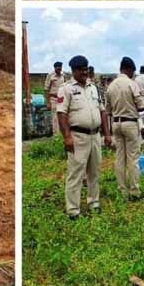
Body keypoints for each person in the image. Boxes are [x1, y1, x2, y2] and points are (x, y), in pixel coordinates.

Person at [57, 55, 110, 219]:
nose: (84, 72)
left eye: (86, 68)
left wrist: (107, 134)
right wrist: (67, 137)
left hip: (95, 136)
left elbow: (102, 111)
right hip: (78, 136)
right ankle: (73, 210)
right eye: (81, 69)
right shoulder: (66, 89)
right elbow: (62, 113)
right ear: (73, 71)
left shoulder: (93, 88)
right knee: (76, 174)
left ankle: (94, 203)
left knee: (94, 171)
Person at [106, 57, 144, 200]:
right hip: (130, 123)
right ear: (129, 69)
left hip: (116, 124)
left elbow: (108, 110)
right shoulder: (132, 84)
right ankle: (135, 191)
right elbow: (141, 106)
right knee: (133, 159)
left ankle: (122, 191)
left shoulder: (110, 86)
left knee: (119, 158)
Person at [45, 61, 66, 135]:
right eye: (58, 68)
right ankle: (56, 136)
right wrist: (48, 102)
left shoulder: (63, 75)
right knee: (55, 118)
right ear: (55, 68)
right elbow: (46, 89)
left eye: (60, 68)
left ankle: (62, 134)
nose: (59, 70)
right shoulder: (50, 76)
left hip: (62, 99)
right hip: (53, 99)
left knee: (62, 116)